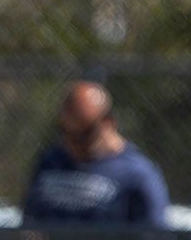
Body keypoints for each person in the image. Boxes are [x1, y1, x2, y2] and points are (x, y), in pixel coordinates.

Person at [22, 81, 170, 227]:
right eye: (66, 132)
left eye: (84, 134)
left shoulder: (137, 174)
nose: (73, 141)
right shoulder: (51, 161)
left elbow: (154, 238)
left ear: (109, 123)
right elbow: (29, 221)